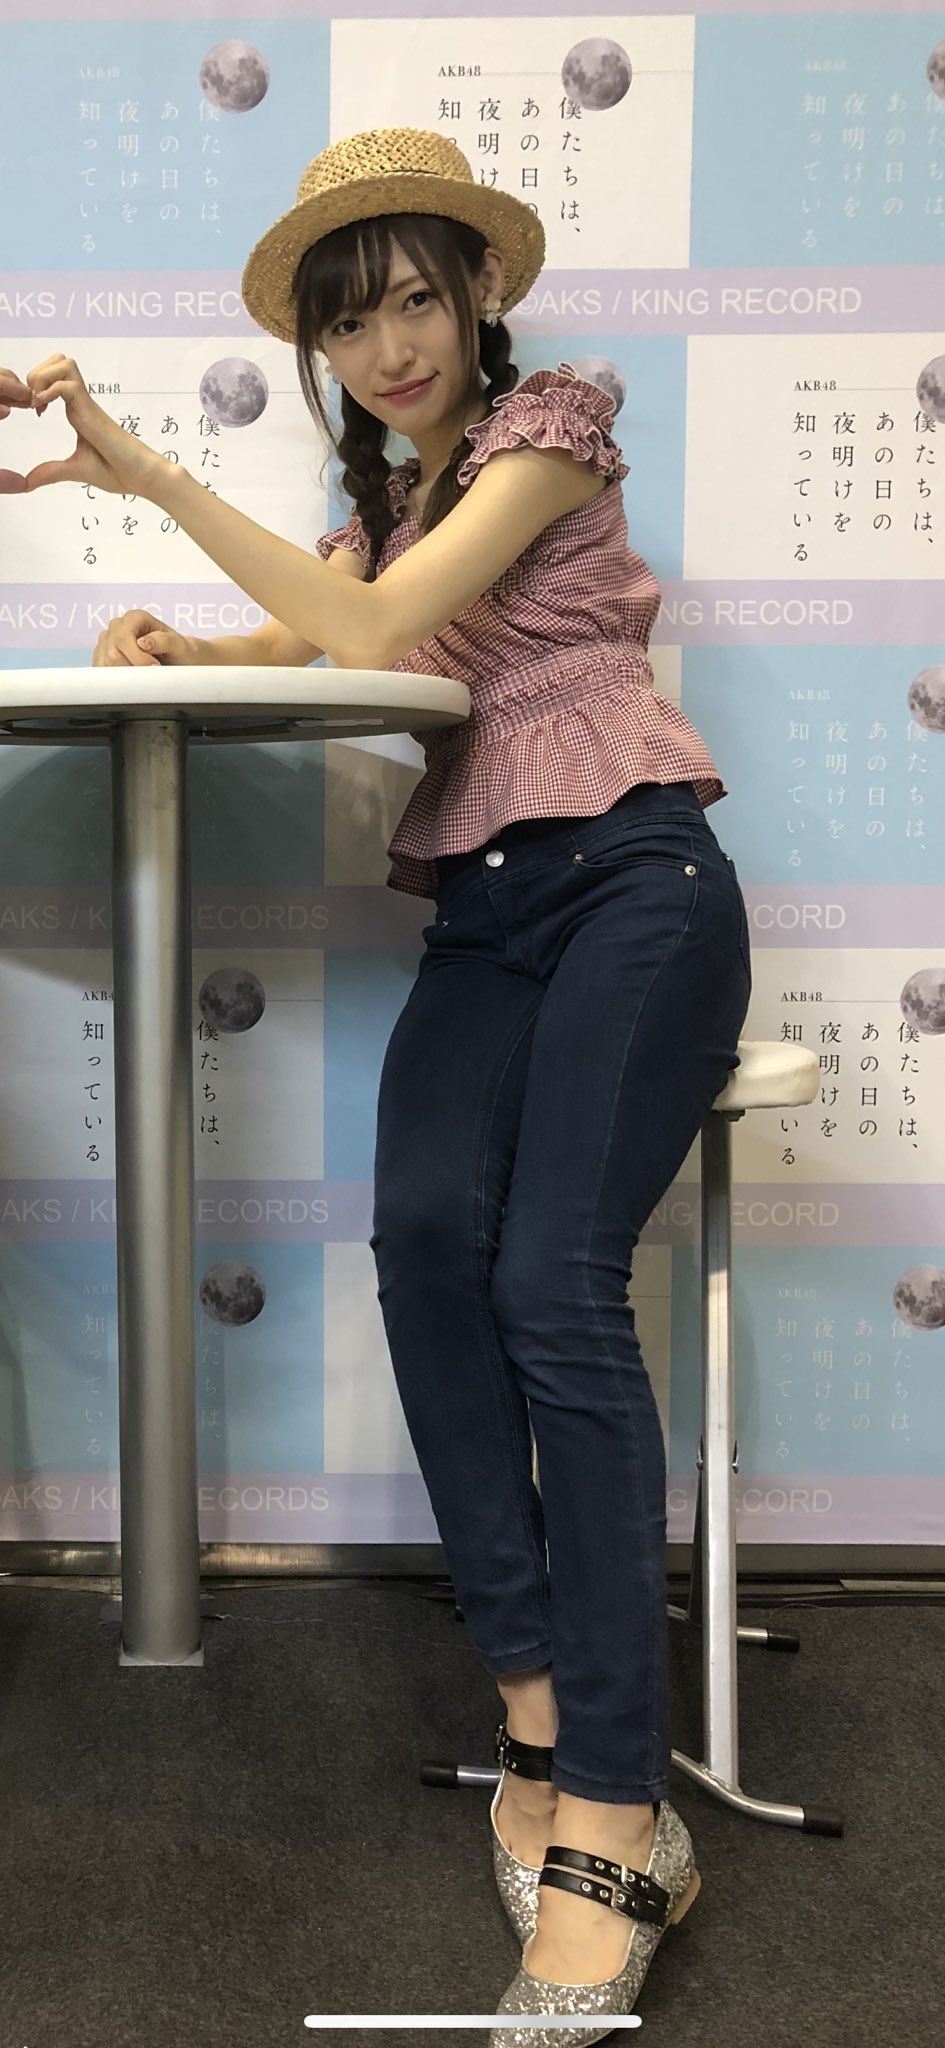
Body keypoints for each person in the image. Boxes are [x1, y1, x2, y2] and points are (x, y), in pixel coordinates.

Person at [20, 128, 752, 2043]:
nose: (388, 350)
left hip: (636, 882)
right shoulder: (395, 511)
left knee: (551, 1294)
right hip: (489, 908)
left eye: (415, 300)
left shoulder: (550, 435)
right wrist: (175, 638)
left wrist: (146, 470)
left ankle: (618, 1811)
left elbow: (360, 630)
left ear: (479, 295)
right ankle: (535, 1717)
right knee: (425, 1249)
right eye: (349, 327)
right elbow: (312, 630)